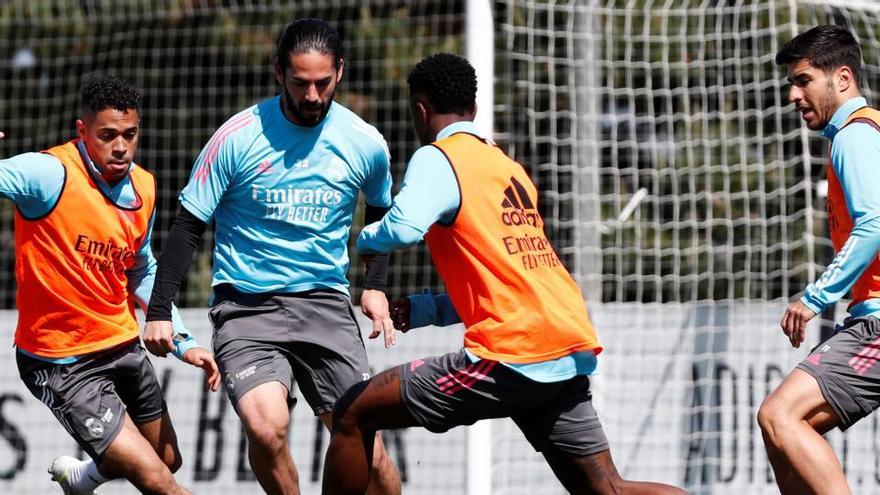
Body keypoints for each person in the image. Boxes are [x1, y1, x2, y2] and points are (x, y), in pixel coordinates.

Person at [322, 53, 687, 495]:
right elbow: (505, 280)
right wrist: (423, 310)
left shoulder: (440, 157)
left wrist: (363, 240)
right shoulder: (507, 166)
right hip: (563, 345)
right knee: (610, 490)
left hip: (513, 354)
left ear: (420, 111)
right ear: (473, 109)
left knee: (352, 414)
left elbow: (402, 227)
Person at [143, 18, 400, 495]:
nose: (312, 96)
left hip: (325, 304)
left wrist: (377, 284)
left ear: (340, 72)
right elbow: (187, 225)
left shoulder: (365, 143)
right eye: (300, 83)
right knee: (266, 428)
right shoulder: (237, 137)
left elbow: (382, 209)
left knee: (373, 456)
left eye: (323, 83)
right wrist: (159, 310)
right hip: (247, 308)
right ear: (278, 72)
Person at [0, 75, 220, 495]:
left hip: (121, 344)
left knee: (167, 460)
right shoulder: (48, 174)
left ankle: (83, 479)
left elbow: (141, 268)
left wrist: (182, 338)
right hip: (61, 361)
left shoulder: (145, 187)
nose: (120, 147)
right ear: (83, 132)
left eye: (129, 135)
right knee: (160, 482)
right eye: (107, 136)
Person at [758, 25, 880, 495]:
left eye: (803, 79)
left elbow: (873, 223)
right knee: (781, 433)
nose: (792, 94)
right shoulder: (861, 132)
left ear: (842, 78)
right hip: (865, 320)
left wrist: (813, 298)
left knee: (779, 415)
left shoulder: (855, 135)